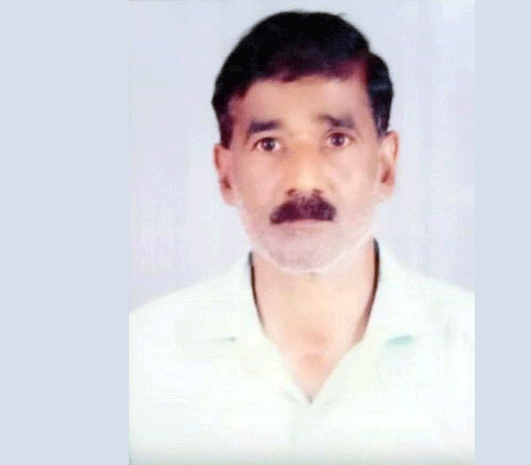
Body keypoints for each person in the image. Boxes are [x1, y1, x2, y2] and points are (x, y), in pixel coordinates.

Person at [129, 11, 474, 465]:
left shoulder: (474, 354)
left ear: (386, 166)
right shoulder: (139, 361)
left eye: (337, 139)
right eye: (269, 144)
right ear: (226, 173)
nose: (303, 179)